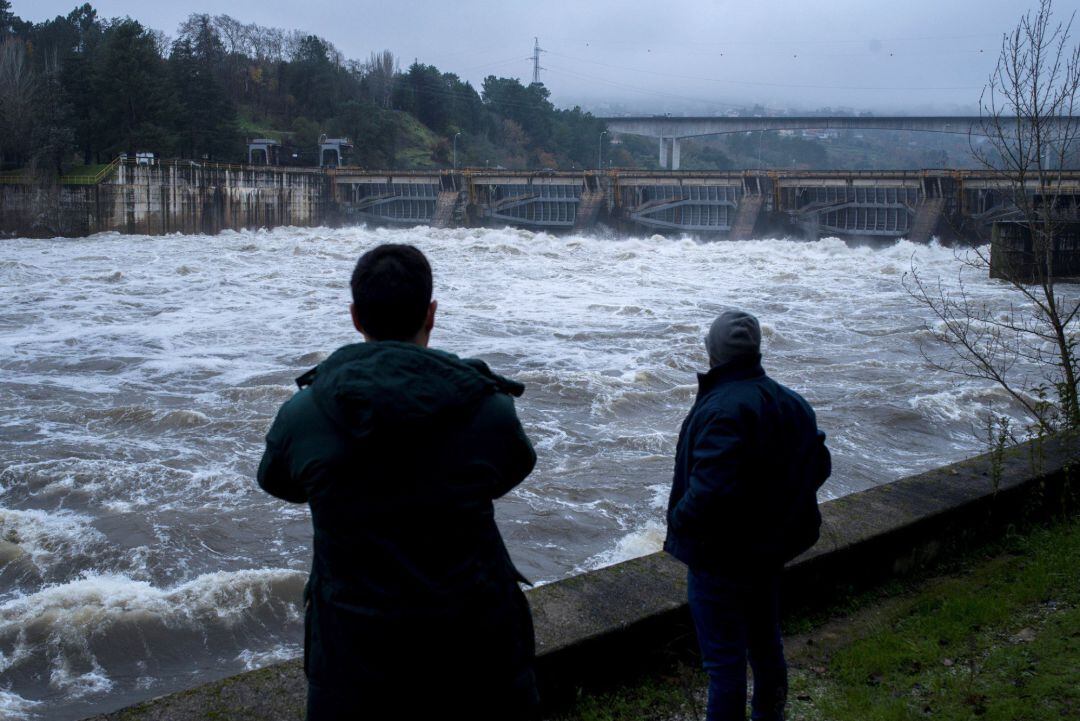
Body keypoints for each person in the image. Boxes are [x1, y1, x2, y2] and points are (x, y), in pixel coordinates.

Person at [257, 244, 538, 721]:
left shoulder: (305, 413)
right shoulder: (488, 408)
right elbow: (511, 469)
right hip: (474, 648)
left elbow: (277, 481)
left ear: (355, 317)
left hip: (352, 652)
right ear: (431, 313)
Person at [664, 310, 830, 721]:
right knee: (766, 647)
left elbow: (709, 491)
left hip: (721, 558)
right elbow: (819, 465)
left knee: (724, 666)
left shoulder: (722, 407)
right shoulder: (791, 401)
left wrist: (678, 522)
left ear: (714, 352)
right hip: (768, 551)